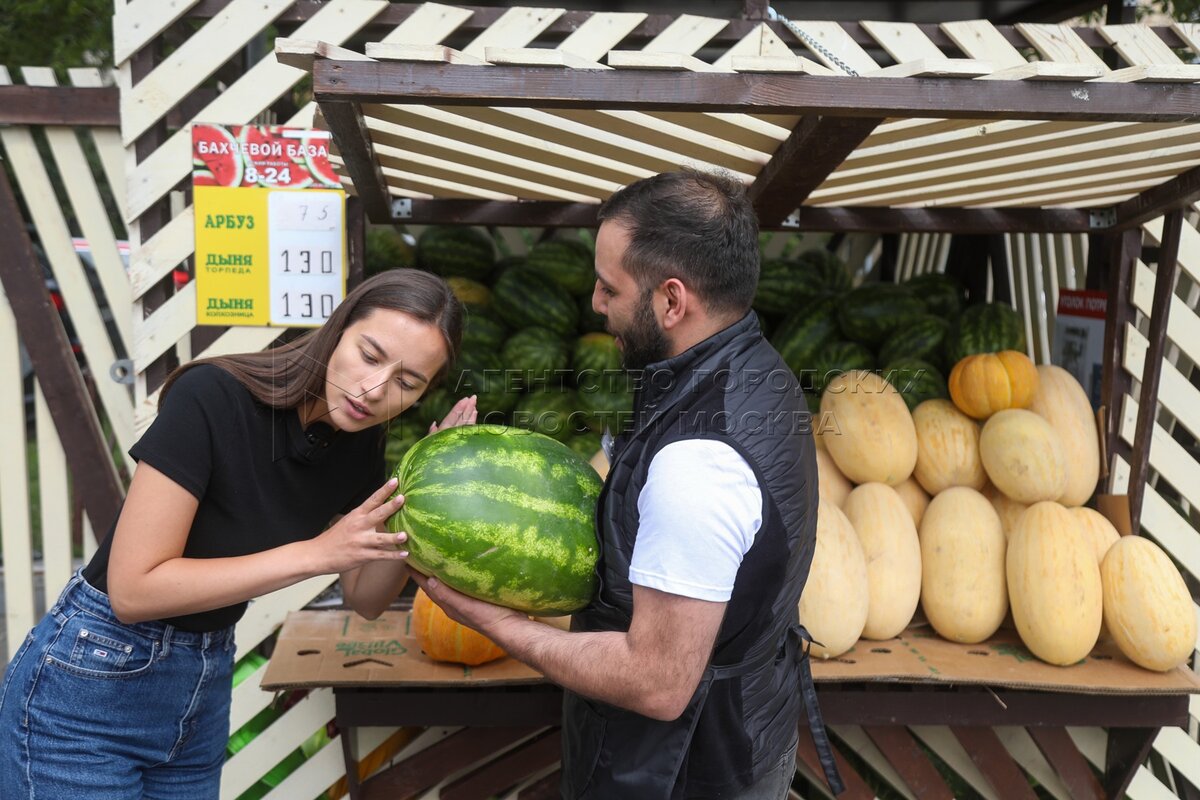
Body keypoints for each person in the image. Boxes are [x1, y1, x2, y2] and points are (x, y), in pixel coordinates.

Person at [414, 170, 843, 799]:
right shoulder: (755, 368)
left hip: (678, 774)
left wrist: (493, 621)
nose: (594, 302)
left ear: (672, 301)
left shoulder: (697, 465)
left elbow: (658, 683)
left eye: (610, 286)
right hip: (742, 734)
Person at [0, 268, 476, 799]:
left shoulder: (357, 442)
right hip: (90, 684)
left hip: (202, 683)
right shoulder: (213, 397)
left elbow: (366, 598)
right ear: (338, 328)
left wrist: (427, 490)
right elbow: (133, 592)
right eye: (369, 355)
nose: (374, 389)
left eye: (407, 384)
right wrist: (317, 554)